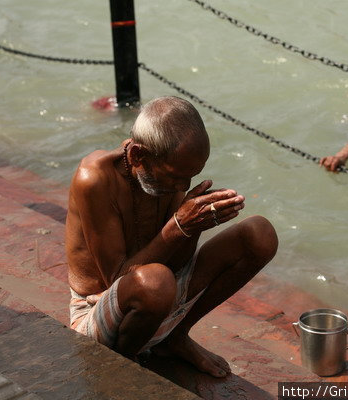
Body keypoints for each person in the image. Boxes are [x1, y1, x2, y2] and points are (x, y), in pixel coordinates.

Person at [65, 96, 278, 378]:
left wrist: (194, 225)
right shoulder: (95, 178)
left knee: (259, 234)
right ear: (138, 157)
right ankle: (122, 362)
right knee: (156, 283)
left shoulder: (167, 173)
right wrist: (177, 226)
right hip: (98, 310)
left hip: (157, 298)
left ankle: (175, 338)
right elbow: (116, 279)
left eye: (192, 177)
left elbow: (176, 263)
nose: (184, 186)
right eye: (177, 177)